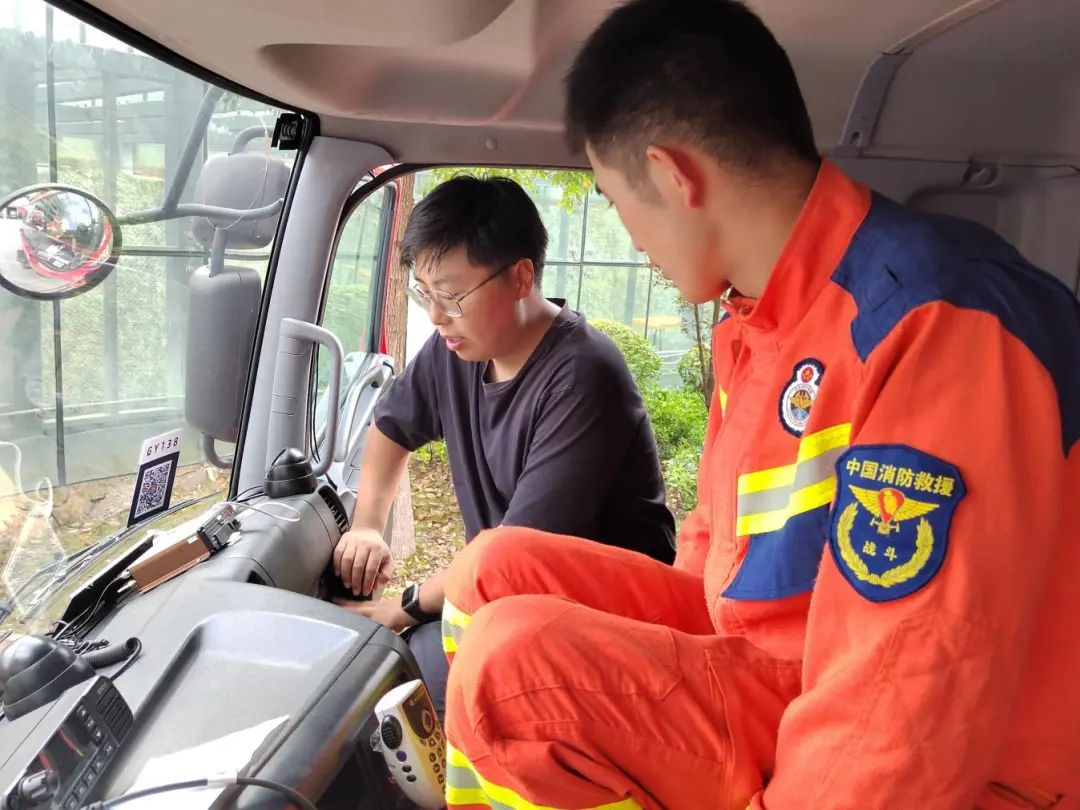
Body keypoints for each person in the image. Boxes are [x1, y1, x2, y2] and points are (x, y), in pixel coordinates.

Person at [439, 1, 1080, 808]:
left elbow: (907, 708)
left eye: (615, 198)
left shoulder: (939, 323)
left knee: (513, 675)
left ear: (672, 176)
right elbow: (714, 570)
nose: (631, 237)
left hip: (963, 765)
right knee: (494, 568)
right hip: (783, 667)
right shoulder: (759, 325)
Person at [332, 175, 676, 717]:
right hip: (508, 604)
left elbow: (516, 554)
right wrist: (368, 525)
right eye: (424, 293)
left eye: (451, 295)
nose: (435, 316)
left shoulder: (583, 376)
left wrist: (401, 607)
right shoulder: (458, 348)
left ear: (520, 278)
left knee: (408, 683)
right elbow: (392, 427)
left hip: (600, 631)